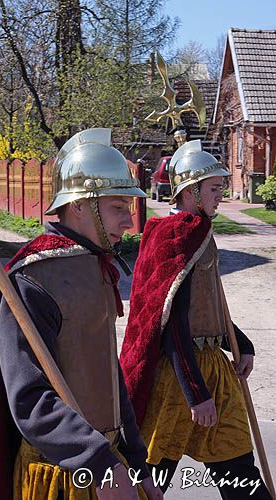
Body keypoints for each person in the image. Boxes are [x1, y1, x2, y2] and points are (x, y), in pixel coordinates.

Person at [0, 128, 163, 500]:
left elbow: (107, 374)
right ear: (80, 205)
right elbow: (29, 397)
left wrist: (136, 463)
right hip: (61, 473)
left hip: (111, 461)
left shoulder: (93, 265)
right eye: (118, 208)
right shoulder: (35, 278)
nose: (129, 223)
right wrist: (101, 466)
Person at [120, 140, 272, 499]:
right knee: (152, 478)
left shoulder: (200, 229)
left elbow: (208, 304)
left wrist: (242, 344)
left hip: (214, 368)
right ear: (190, 191)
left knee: (239, 471)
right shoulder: (175, 235)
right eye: (214, 189)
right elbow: (170, 320)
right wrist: (195, 393)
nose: (221, 195)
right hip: (178, 378)